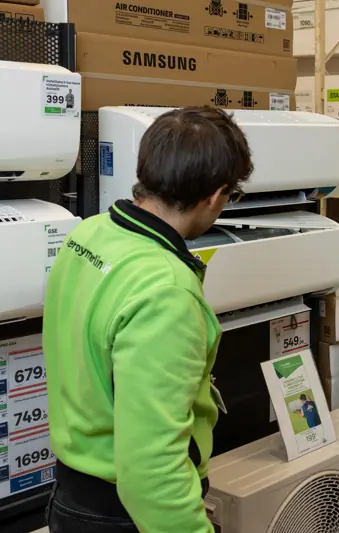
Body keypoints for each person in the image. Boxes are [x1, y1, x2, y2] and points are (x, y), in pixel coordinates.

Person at [42, 106, 253, 533]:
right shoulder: (166, 291)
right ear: (216, 195)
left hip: (70, 495)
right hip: (124, 517)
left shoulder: (89, 233)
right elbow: (152, 472)